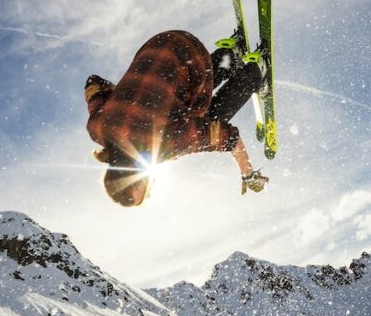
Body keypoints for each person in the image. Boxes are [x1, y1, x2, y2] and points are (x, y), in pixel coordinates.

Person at [85, 30, 269, 207]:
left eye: (144, 190)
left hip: (194, 56)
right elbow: (93, 83)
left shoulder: (162, 145)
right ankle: (230, 54)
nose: (150, 191)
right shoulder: (97, 128)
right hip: (160, 43)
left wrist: (248, 174)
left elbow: (228, 137)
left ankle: (255, 72)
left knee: (208, 118)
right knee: (179, 100)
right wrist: (134, 99)